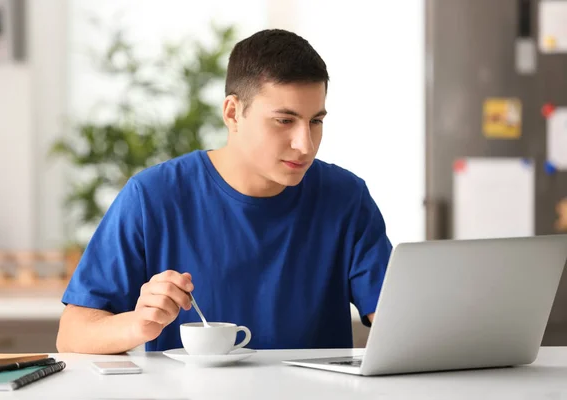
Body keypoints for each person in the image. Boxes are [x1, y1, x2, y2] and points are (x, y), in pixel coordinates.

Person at [56, 28, 393, 354]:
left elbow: (396, 324)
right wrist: (138, 325)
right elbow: (72, 334)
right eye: (284, 121)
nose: (305, 144)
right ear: (233, 113)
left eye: (315, 121)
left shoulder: (346, 197)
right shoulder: (152, 197)